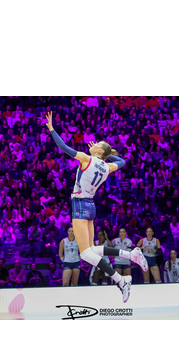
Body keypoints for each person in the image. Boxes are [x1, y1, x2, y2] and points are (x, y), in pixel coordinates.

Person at [46, 112, 148, 303]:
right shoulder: (107, 167)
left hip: (80, 204)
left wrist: (51, 128)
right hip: (91, 206)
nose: (92, 144)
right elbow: (122, 162)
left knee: (85, 254)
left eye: (96, 144)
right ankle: (131, 254)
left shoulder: (86, 159)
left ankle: (120, 280)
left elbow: (62, 147)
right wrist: (104, 155)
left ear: (99, 150)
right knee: (92, 249)